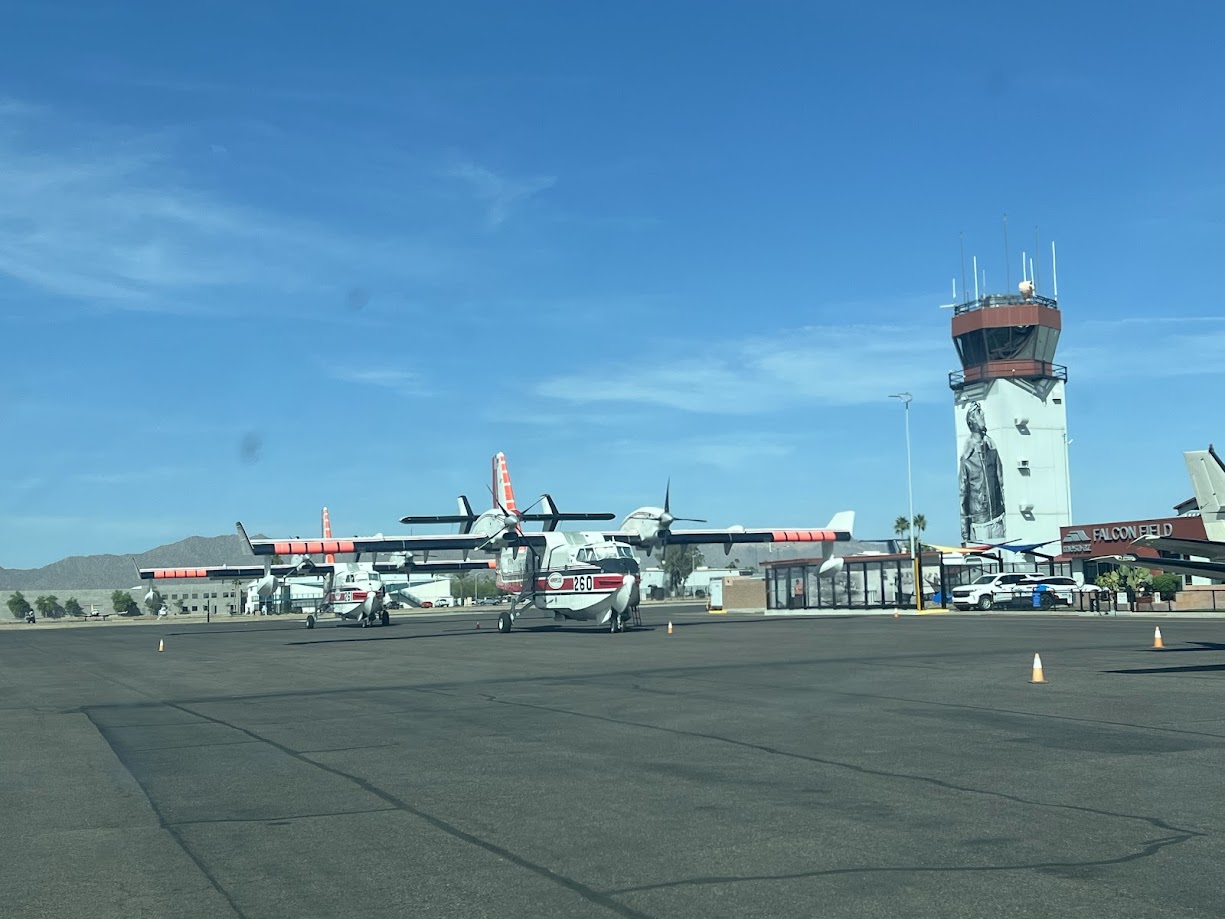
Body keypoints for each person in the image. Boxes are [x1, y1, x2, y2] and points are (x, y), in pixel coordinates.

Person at [959, 401, 1006, 543]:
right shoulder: (967, 459)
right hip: (979, 524)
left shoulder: (992, 451)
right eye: (979, 413)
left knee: (1001, 560)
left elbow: (1002, 484)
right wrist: (965, 533)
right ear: (971, 421)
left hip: (998, 519)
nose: (983, 415)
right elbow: (963, 497)